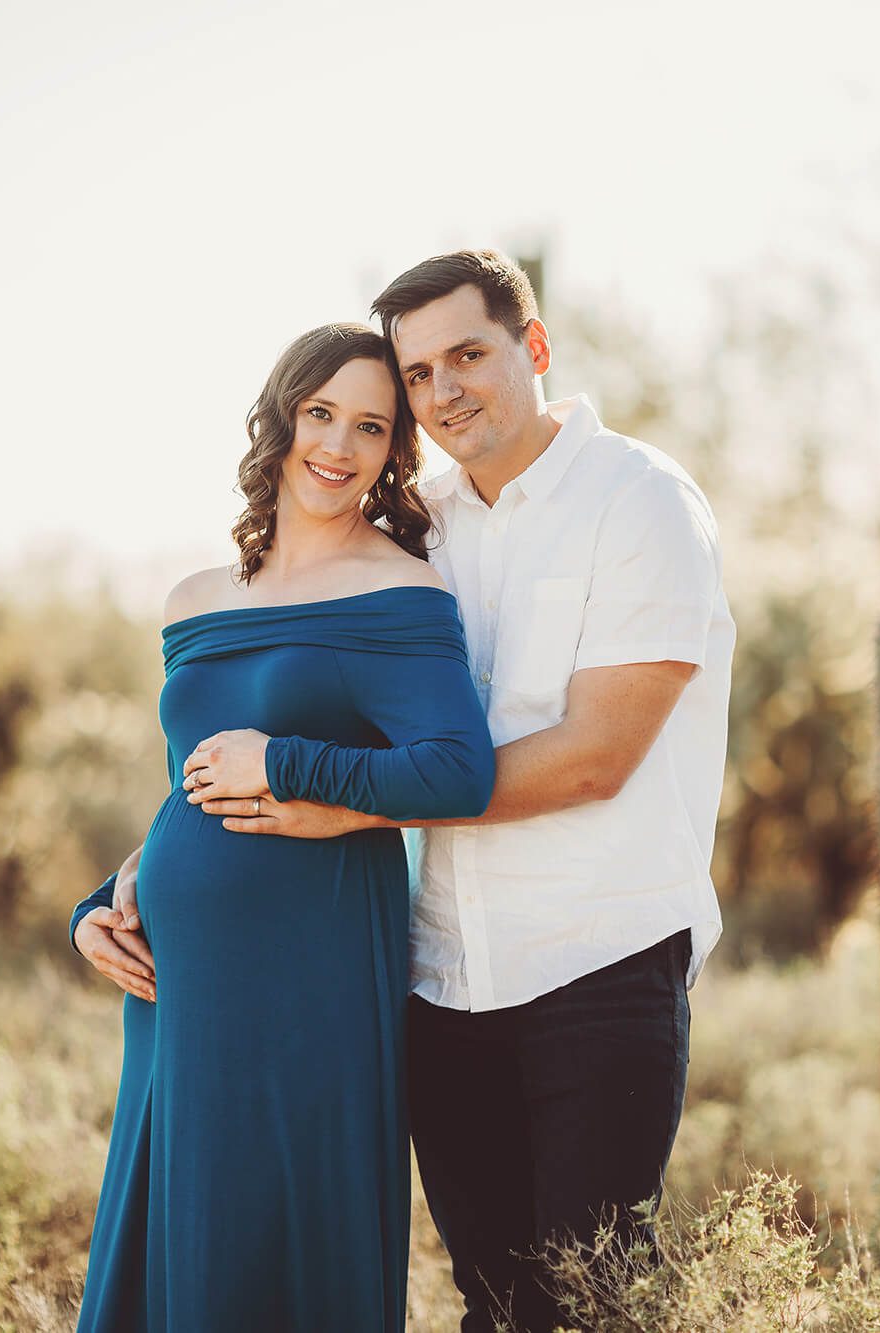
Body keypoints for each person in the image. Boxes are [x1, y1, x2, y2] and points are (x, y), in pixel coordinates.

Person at [100, 251, 736, 1331]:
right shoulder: (417, 526)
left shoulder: (637, 502)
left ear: (531, 350)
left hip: (598, 958)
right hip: (441, 976)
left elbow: (594, 756)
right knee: (486, 1300)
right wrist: (145, 869)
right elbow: (279, 712)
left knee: (588, 1302)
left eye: (469, 355)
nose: (444, 390)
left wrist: (341, 799)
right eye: (421, 371)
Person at [67, 322, 496, 1332]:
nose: (336, 447)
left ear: (396, 452)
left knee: (268, 1234)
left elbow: (456, 770)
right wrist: (100, 905)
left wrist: (290, 761)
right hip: (175, 985)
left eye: (370, 427)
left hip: (307, 967)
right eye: (319, 415)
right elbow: (190, 789)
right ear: (281, 417)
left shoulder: (398, 591)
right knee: (179, 1230)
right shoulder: (194, 601)